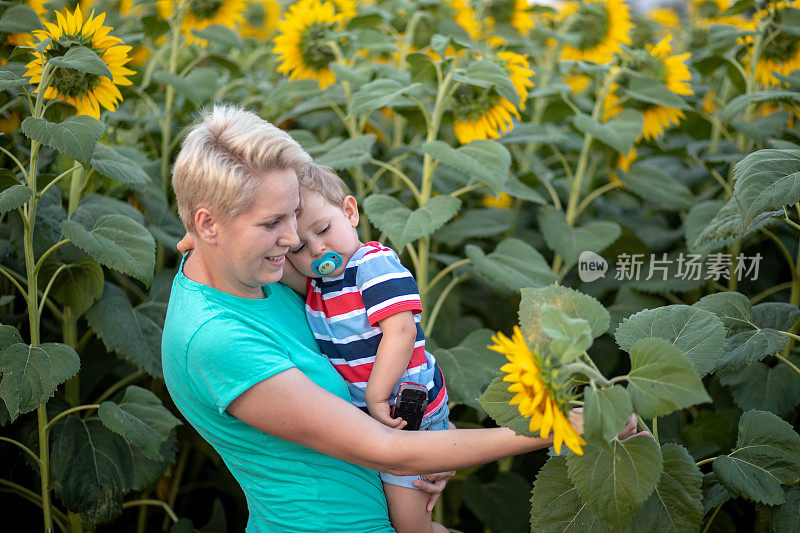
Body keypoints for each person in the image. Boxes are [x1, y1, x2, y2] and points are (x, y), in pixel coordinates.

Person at [162, 104, 639, 533]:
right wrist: (563, 422)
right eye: (272, 223)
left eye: (294, 216)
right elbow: (384, 449)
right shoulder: (216, 339)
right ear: (208, 223)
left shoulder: (250, 270)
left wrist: (436, 442)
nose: (292, 241)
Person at [278, 163, 451, 532]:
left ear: (350, 212)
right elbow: (268, 266)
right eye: (300, 247)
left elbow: (401, 331)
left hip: (406, 416)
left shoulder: (372, 264)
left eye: (323, 229)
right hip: (376, 423)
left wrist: (376, 395)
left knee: (409, 527)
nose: (318, 248)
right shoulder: (320, 282)